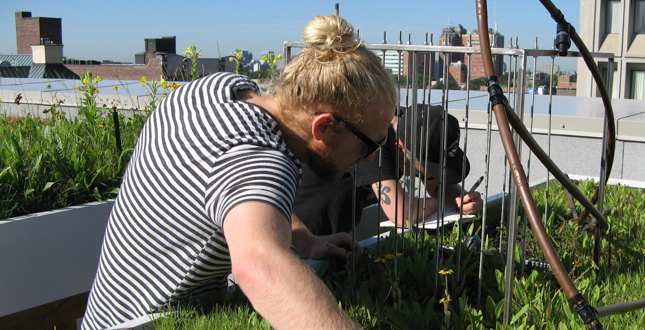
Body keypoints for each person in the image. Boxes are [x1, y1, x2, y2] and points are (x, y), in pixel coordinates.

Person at [81, 15, 396, 330]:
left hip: (104, 314)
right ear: (324, 127)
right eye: (370, 144)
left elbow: (237, 189)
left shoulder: (216, 91)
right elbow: (259, 266)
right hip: (146, 322)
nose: (370, 159)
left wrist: (305, 240)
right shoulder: (262, 159)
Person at [293, 105, 483, 236]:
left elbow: (437, 188)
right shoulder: (375, 140)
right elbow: (401, 213)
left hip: (337, 226)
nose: (431, 176)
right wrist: (441, 205)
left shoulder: (415, 127)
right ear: (400, 147)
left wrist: (462, 200)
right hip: (301, 227)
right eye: (430, 169)